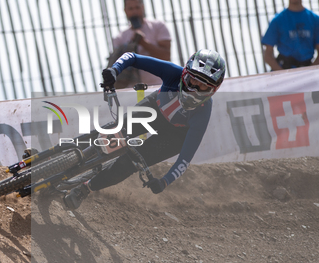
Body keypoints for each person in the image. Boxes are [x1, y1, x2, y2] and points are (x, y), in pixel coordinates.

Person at [63, 49, 226, 210]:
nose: (194, 88)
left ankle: (85, 188)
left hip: (174, 136)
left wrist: (164, 181)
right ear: (184, 74)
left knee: (129, 164)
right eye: (192, 81)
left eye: (203, 86)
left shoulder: (203, 113)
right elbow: (132, 57)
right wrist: (115, 70)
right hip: (154, 110)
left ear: (213, 90)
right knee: (112, 132)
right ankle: (62, 157)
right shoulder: (172, 73)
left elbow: (185, 158)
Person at [107, 0, 171, 88]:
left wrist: (143, 43)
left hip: (159, 87)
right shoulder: (120, 38)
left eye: (137, 7)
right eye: (131, 8)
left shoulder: (158, 27)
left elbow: (166, 56)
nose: (135, 12)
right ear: (125, 11)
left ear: (143, 7)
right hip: (133, 91)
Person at [261, 0, 319, 71]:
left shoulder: (316, 20)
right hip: (283, 69)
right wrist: (282, 75)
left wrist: (308, 73)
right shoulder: (277, 20)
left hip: (307, 70)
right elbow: (268, 55)